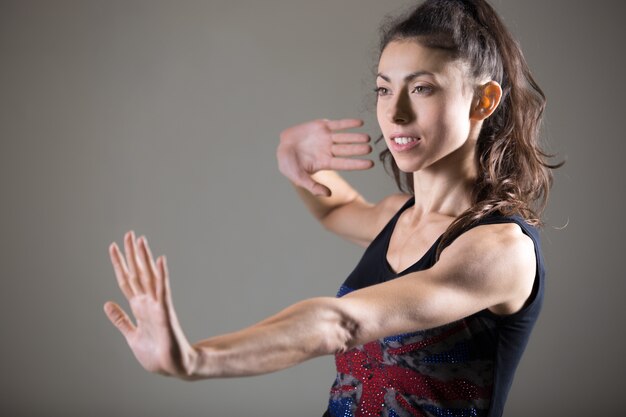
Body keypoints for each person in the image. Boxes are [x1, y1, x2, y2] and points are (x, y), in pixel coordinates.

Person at [104, 0, 560, 416]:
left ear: (483, 101)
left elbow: (342, 322)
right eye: (384, 90)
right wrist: (292, 154)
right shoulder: (397, 217)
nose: (396, 114)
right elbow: (334, 209)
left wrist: (197, 359)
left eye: (422, 89)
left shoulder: (501, 251)